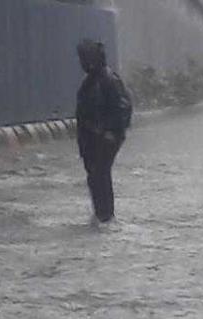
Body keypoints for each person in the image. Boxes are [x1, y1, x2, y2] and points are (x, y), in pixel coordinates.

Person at [76, 40, 131, 224]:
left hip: (104, 138)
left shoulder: (108, 79)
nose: (82, 62)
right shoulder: (91, 81)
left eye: (84, 58)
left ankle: (106, 216)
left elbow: (123, 107)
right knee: (94, 176)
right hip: (90, 139)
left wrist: (111, 131)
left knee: (100, 174)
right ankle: (101, 214)